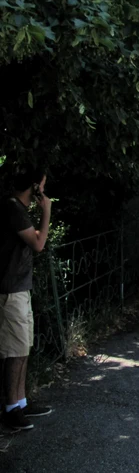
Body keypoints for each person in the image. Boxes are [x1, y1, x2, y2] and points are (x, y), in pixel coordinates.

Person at [0, 167, 53, 431]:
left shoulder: (17, 209)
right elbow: (39, 243)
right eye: (41, 186)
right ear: (34, 187)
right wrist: (47, 211)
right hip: (10, 290)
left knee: (23, 347)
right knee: (14, 349)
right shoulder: (12, 208)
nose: (43, 191)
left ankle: (20, 401)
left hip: (20, 287)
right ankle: (10, 408)